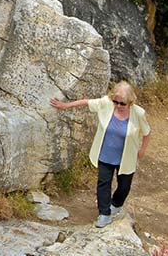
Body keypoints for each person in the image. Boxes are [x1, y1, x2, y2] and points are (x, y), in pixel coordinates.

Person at [50, 81, 152, 228]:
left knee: (124, 187)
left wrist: (142, 150)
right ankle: (104, 214)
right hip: (105, 154)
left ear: (130, 101)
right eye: (115, 101)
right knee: (103, 183)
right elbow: (87, 102)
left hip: (125, 157)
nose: (118, 105)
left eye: (122, 103)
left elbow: (147, 132)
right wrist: (65, 106)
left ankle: (116, 204)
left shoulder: (138, 113)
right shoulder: (106, 103)